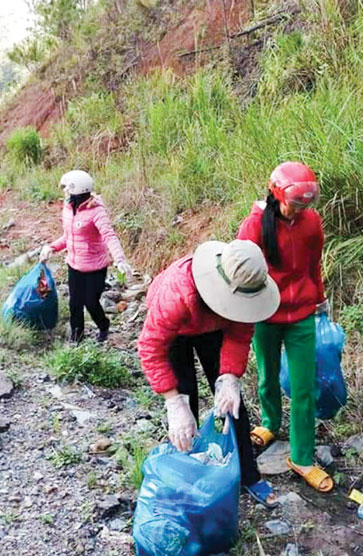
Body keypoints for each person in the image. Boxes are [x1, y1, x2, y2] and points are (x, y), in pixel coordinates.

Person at [137, 239, 281, 508]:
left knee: (232, 404)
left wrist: (230, 377)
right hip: (177, 332)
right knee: (185, 400)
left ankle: (248, 475)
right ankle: (189, 472)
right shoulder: (176, 295)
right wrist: (172, 401)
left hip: (213, 328)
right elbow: (150, 347)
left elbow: (239, 335)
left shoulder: (245, 290)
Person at [237, 161, 333, 493]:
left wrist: (320, 300)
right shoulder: (253, 226)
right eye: (294, 204)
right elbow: (240, 270)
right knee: (267, 374)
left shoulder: (311, 223)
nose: (299, 211)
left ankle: (302, 457)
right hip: (265, 313)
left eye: (305, 205)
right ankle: (269, 423)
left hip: (302, 316)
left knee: (304, 388)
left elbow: (314, 264)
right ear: (277, 194)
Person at [39, 170, 132, 344]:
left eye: (67, 189)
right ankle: (77, 338)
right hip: (74, 264)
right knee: (75, 304)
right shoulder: (68, 209)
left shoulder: (96, 211)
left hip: (95, 267)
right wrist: (52, 247)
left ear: (77, 190)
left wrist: (119, 260)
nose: (65, 192)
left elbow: (109, 236)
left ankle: (103, 325)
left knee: (91, 302)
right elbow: (69, 236)